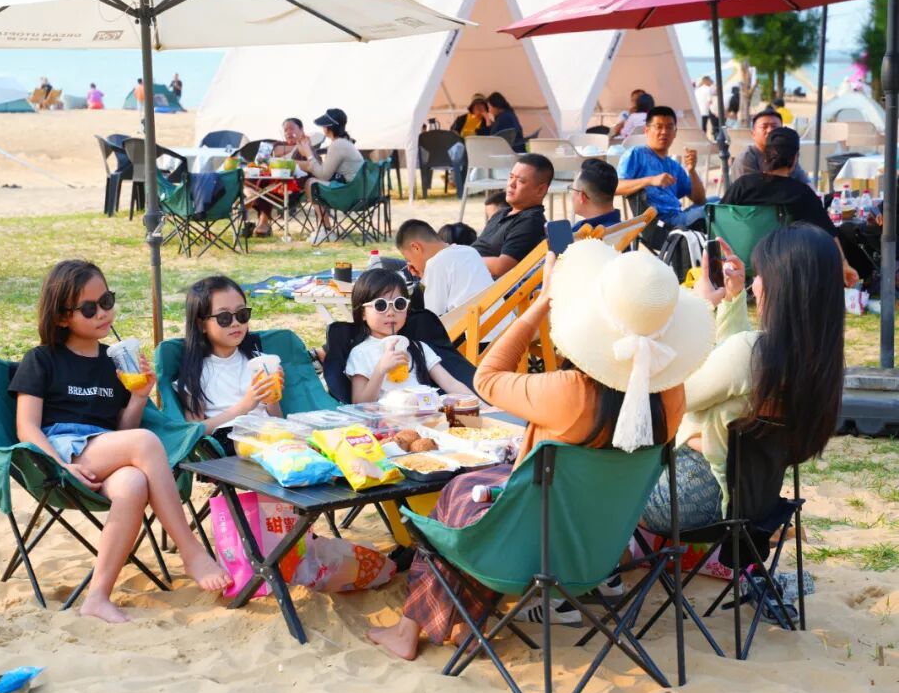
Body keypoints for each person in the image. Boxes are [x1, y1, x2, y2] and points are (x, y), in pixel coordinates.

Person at [368, 242, 708, 659]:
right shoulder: (671, 397)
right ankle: (465, 625)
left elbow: (487, 378)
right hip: (600, 552)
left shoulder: (570, 392)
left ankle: (415, 629)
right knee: (476, 491)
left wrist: (541, 302)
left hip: (531, 552)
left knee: (458, 500)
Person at [9, 260, 230, 622]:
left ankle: (97, 596)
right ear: (62, 317)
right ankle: (191, 551)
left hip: (104, 448)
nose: (102, 313)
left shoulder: (112, 362)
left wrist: (139, 397)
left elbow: (122, 428)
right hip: (62, 452)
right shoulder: (42, 359)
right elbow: (26, 427)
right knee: (144, 441)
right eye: (88, 308)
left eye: (107, 301)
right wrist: (60, 465)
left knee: (134, 482)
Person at [641, 225, 844, 533]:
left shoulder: (751, 353)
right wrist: (732, 299)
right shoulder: (814, 359)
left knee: (595, 488)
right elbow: (735, 370)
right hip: (754, 500)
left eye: (760, 275)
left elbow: (672, 397)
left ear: (782, 285)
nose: (754, 285)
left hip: (690, 496)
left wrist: (700, 307)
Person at [723, 127, 859, 287]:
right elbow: (829, 232)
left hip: (740, 260)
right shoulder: (801, 193)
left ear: (765, 156)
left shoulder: (742, 185)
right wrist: (843, 264)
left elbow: (720, 216)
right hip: (784, 266)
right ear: (794, 159)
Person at [175, 276, 285, 454]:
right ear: (201, 324)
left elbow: (277, 420)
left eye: (242, 315)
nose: (235, 323)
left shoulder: (260, 362)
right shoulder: (196, 373)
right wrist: (245, 405)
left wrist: (272, 400)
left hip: (271, 436)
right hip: (230, 442)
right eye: (224, 317)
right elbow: (194, 431)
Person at [346, 269, 476, 403]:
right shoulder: (361, 353)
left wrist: (480, 405)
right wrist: (380, 369)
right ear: (363, 313)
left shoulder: (418, 348)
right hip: (387, 415)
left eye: (399, 304)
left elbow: (451, 384)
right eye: (380, 305)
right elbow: (359, 403)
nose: (391, 312)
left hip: (426, 412)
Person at [395, 219, 511, 337]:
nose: (410, 264)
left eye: (408, 259)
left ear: (416, 247)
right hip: (504, 326)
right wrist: (424, 275)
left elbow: (433, 316)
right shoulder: (469, 251)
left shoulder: (435, 264)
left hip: (476, 337)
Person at [616, 105, 707, 241]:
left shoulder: (674, 166)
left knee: (716, 203)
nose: (664, 132)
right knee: (715, 211)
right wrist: (650, 180)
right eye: (658, 127)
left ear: (675, 133)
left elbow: (700, 200)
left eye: (669, 127)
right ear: (647, 130)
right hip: (660, 226)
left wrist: (692, 171)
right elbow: (615, 187)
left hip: (678, 218)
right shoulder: (636, 154)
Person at [472, 153, 553, 278]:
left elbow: (502, 267)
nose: (511, 184)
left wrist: (465, 258)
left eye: (520, 181)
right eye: (511, 177)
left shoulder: (530, 222)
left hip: (486, 285)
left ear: (540, 190)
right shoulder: (502, 213)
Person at [296, 108, 364, 245]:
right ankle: (325, 228)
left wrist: (308, 152)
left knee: (311, 183)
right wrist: (307, 153)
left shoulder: (337, 145)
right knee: (315, 183)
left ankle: (326, 230)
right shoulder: (344, 142)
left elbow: (323, 176)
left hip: (350, 194)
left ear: (327, 128)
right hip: (360, 192)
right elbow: (323, 169)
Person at [249, 117, 309, 237]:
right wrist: (296, 146)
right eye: (285, 130)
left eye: (292, 128)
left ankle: (262, 221)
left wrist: (301, 147)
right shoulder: (278, 145)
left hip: (292, 189)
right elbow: (273, 152)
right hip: (269, 185)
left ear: (301, 130)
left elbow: (312, 164)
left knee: (266, 185)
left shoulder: (307, 148)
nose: (288, 132)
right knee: (252, 176)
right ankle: (250, 196)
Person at [730, 107, 811, 185]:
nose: (770, 130)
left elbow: (806, 183)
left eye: (774, 126)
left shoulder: (787, 154)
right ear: (753, 134)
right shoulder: (746, 159)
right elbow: (750, 190)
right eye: (764, 127)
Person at [569, 158, 621, 231]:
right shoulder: (626, 228)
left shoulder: (579, 235)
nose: (571, 195)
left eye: (572, 189)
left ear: (582, 197)